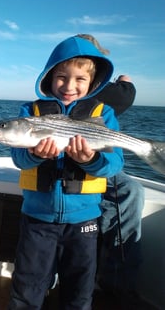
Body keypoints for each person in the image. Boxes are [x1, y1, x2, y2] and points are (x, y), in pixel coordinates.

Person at [7, 35, 124, 310]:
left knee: (79, 289)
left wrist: (91, 160)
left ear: (92, 82)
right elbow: (19, 160)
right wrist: (34, 154)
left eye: (80, 79)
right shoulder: (30, 112)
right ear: (49, 77)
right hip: (37, 218)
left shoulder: (104, 113)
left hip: (84, 220)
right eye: (61, 76)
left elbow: (115, 165)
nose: (69, 86)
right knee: (27, 285)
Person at [75, 35, 145, 305]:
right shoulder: (114, 93)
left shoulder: (99, 96)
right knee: (129, 191)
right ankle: (115, 285)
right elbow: (127, 93)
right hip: (61, 165)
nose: (73, 85)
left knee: (129, 190)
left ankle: (113, 284)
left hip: (98, 160)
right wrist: (125, 79)